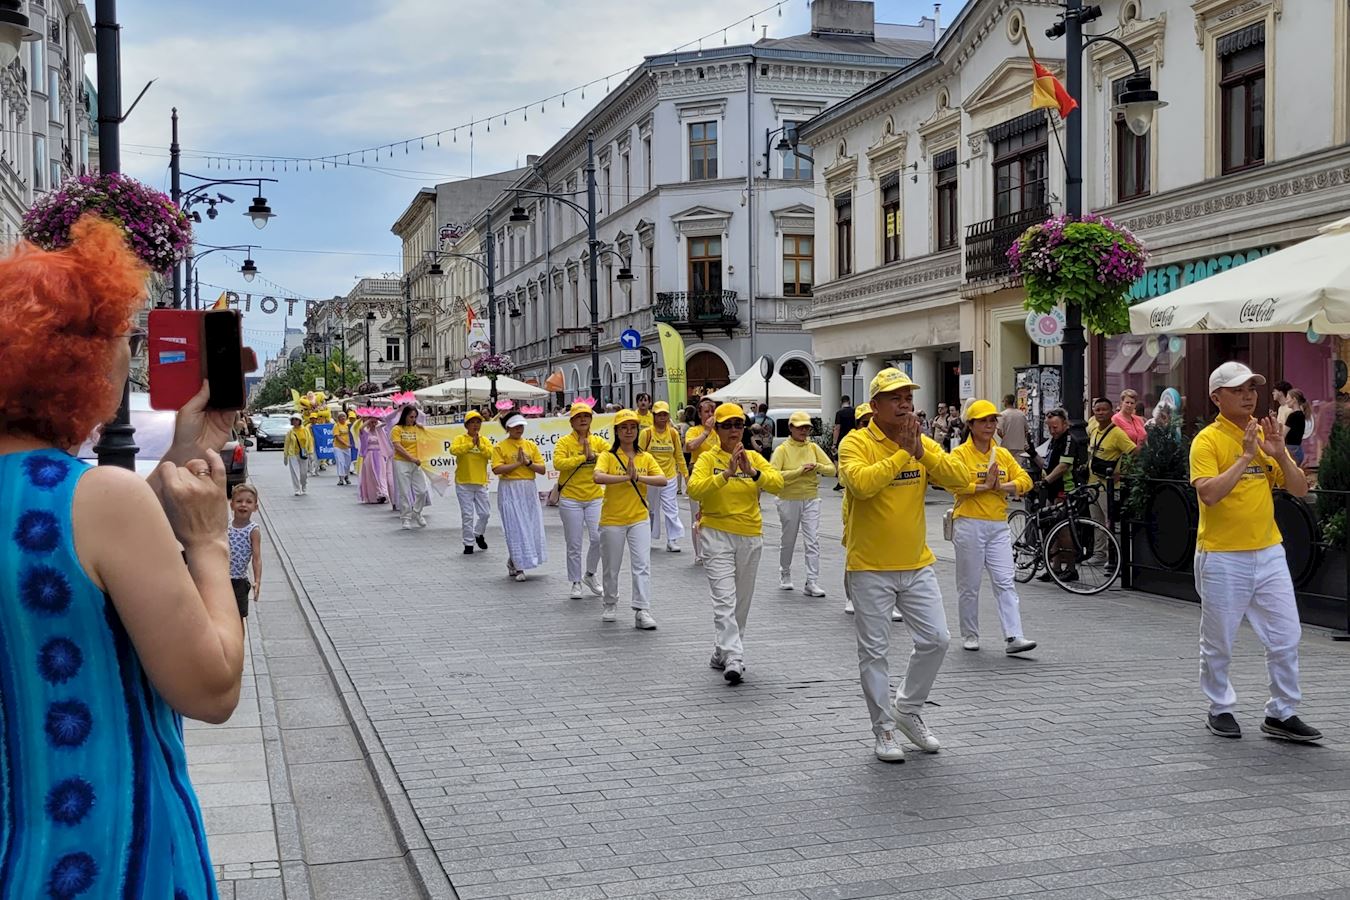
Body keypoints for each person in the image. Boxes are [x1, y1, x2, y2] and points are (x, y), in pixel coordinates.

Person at [0, 214, 244, 895]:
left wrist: (189, 454)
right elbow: (211, 686)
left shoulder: (84, 501)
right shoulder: (99, 498)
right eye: (121, 340)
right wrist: (208, 541)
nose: (128, 357)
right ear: (72, 359)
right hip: (103, 851)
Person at [838, 368, 969, 762]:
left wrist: (922, 451)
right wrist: (902, 454)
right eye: (895, 398)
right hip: (869, 566)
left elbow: (960, 479)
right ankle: (883, 729)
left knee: (938, 640)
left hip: (916, 562)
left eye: (908, 397)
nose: (905, 404)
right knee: (874, 653)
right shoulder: (854, 443)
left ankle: (908, 709)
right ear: (875, 405)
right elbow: (861, 485)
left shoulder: (920, 443)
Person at [1191, 362, 1320, 743]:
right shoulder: (1207, 440)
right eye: (1237, 389)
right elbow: (1209, 494)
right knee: (1219, 640)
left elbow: (1299, 490)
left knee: (1285, 635)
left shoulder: (1266, 434)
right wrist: (1247, 457)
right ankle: (1220, 707)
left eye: (1252, 388)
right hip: (1222, 554)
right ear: (1217, 397)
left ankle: (1282, 713)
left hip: (1268, 551)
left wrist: (1279, 454)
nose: (1248, 395)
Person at [688, 402, 785, 685]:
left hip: (750, 535)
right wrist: (726, 475)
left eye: (737, 425)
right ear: (716, 429)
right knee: (724, 599)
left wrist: (753, 473)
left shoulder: (754, 457)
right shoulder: (707, 459)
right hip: (716, 533)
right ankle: (734, 656)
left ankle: (723, 651)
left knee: (741, 601)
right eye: (727, 425)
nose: (733, 430)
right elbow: (694, 488)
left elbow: (778, 483)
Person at [949, 401, 1036, 655]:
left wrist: (1002, 487)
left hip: (998, 525)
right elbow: (953, 484)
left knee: (1005, 580)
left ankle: (1014, 636)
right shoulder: (960, 455)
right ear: (971, 425)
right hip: (968, 523)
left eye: (992, 421)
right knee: (969, 584)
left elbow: (1026, 480)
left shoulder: (1003, 454)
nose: (989, 426)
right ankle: (970, 634)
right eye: (984, 421)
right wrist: (983, 487)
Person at [594, 409, 667, 628]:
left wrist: (638, 476)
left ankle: (642, 609)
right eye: (624, 427)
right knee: (611, 565)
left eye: (633, 427)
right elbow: (597, 476)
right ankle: (610, 602)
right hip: (612, 518)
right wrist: (626, 476)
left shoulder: (645, 456)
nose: (629, 431)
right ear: (616, 431)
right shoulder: (608, 455)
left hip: (639, 517)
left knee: (642, 564)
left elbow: (662, 479)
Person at [770, 411, 835, 597]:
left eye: (806, 427)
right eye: (799, 427)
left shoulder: (813, 448)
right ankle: (785, 572)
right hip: (788, 498)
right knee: (788, 539)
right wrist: (799, 471)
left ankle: (812, 581)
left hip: (811, 497)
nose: (804, 431)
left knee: (813, 540)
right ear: (790, 428)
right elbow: (773, 476)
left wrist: (817, 467)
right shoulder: (782, 450)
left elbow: (832, 469)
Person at [554, 402, 607, 598]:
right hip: (571, 499)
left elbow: (610, 457)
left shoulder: (598, 441)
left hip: (594, 496)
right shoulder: (564, 443)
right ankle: (575, 582)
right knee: (574, 543)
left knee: (599, 538)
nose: (583, 419)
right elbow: (559, 463)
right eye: (578, 417)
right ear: (572, 422)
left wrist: (593, 455)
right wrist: (581, 458)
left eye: (586, 416)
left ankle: (590, 574)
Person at [491, 413, 548, 581]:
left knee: (529, 524)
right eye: (515, 426)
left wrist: (528, 463)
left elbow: (542, 469)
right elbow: (496, 469)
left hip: (528, 488)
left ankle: (515, 560)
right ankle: (519, 566)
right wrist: (517, 464)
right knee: (515, 526)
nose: (519, 429)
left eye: (521, 426)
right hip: (510, 489)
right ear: (508, 428)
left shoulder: (530, 445)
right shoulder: (500, 447)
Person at [1036, 408, 1089, 582]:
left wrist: (1046, 481)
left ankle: (1071, 568)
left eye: (1055, 427)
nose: (1052, 431)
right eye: (1049, 427)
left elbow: (1063, 466)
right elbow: (1046, 464)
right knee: (1052, 528)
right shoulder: (1053, 441)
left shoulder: (1069, 440)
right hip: (1052, 489)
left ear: (1065, 424)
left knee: (1064, 530)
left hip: (1064, 490)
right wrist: (1031, 453)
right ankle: (1055, 567)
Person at [1087, 397, 1137, 564]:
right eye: (1097, 410)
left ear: (1111, 412)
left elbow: (1134, 452)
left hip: (1109, 487)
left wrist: (1122, 473)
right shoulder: (1094, 430)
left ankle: (1116, 558)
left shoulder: (1117, 433)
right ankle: (1099, 555)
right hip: (1093, 484)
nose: (1100, 413)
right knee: (1097, 522)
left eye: (1104, 410)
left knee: (1112, 523)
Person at [641, 400, 689, 552]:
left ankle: (672, 540)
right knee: (650, 508)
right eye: (659, 415)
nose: (662, 417)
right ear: (654, 416)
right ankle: (646, 538)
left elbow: (679, 456)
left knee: (671, 508)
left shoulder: (673, 433)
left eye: (665, 415)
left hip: (669, 477)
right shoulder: (646, 433)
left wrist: (686, 475)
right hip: (651, 478)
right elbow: (639, 455)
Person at [449, 410, 493, 554]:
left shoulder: (485, 440)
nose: (475, 425)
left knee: (485, 513)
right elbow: (454, 450)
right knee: (467, 515)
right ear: (466, 425)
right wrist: (469, 445)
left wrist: (479, 445)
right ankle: (468, 543)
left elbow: (491, 454)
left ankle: (478, 533)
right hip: (463, 483)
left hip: (480, 482)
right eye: (472, 422)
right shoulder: (460, 439)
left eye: (478, 422)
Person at [683, 396, 718, 564]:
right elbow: (690, 447)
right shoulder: (694, 430)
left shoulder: (719, 432)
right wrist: (706, 432)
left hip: (716, 474)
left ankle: (712, 549)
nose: (710, 414)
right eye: (706, 411)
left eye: (712, 411)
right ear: (699, 413)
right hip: (697, 472)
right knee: (697, 515)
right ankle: (699, 553)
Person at [390, 406, 431, 530]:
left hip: (417, 462)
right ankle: (405, 518)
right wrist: (411, 458)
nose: (413, 420)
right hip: (402, 462)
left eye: (415, 417)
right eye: (411, 417)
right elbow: (397, 446)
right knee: (404, 491)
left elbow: (429, 438)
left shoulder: (417, 428)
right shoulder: (397, 429)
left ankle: (417, 512)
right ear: (405, 416)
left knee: (422, 491)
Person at [229, 482, 263, 620]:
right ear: (232, 505)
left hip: (239, 582)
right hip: (221, 579)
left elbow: (256, 558)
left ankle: (238, 641)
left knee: (238, 617)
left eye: (248, 502)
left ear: (255, 508)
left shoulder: (253, 530)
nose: (243, 504)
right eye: (239, 501)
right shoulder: (225, 526)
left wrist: (257, 580)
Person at [357, 411, 390, 505]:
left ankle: (383, 493)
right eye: (372, 422)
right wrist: (368, 420)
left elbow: (387, 423)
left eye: (374, 423)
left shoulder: (381, 432)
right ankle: (375, 494)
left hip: (379, 455)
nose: (373, 424)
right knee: (372, 475)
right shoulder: (366, 432)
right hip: (369, 456)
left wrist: (378, 418)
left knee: (381, 475)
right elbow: (360, 429)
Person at [996, 394, 1031, 466]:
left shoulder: (1002, 415)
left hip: (1007, 446)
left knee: (1006, 467)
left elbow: (999, 431)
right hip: (1019, 446)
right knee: (1017, 468)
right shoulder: (1021, 414)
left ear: (1006, 402)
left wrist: (1005, 437)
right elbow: (1026, 430)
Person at [283, 414, 313, 496]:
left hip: (304, 453)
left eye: (296, 419)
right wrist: (285, 456)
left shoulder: (305, 430)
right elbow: (287, 444)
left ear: (300, 421)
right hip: (293, 454)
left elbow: (310, 441)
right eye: (293, 420)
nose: (295, 421)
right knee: (295, 473)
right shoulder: (290, 432)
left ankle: (304, 486)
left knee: (303, 473)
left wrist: (310, 452)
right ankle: (296, 489)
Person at [831, 395, 855, 491]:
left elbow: (837, 428)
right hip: (854, 438)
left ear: (841, 402)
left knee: (838, 459)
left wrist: (834, 443)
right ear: (849, 401)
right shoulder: (855, 411)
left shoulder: (839, 413)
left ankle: (841, 481)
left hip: (842, 439)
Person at [1282, 388, 1312, 465]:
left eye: (1288, 398)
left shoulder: (1292, 416)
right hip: (1298, 449)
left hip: (1290, 450)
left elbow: (1283, 435)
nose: (1286, 401)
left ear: (1294, 399)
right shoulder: (1301, 415)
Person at [332, 410, 354, 486]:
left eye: (344, 416)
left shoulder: (348, 425)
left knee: (347, 463)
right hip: (338, 447)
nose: (342, 418)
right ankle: (341, 479)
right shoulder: (336, 426)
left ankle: (346, 476)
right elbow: (337, 436)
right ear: (338, 418)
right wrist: (346, 443)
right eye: (340, 417)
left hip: (347, 447)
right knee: (340, 462)